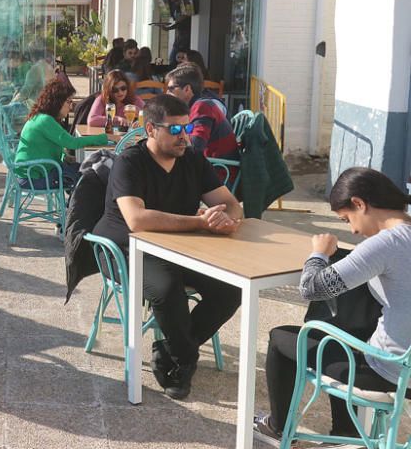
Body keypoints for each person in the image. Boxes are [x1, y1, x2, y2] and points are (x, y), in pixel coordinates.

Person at [92, 95, 243, 400]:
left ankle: (171, 351)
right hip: (127, 248)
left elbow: (231, 204)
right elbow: (137, 219)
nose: (184, 137)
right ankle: (185, 361)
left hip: (179, 246)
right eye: (175, 131)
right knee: (166, 289)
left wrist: (223, 218)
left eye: (187, 129)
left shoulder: (192, 160)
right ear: (150, 129)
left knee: (231, 288)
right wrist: (199, 222)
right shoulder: (130, 162)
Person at [254, 167, 411, 445]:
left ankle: (277, 427)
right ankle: (346, 431)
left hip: (389, 372)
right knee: (345, 332)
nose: (351, 229)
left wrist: (319, 252)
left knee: (281, 338)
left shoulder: (386, 243)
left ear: (360, 203)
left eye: (347, 218)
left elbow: (310, 288)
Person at [14, 80, 109, 190]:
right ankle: (80, 206)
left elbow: (45, 147)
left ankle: (77, 205)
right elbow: (72, 143)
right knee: (90, 176)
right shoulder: (46, 120)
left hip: (32, 173)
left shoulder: (40, 117)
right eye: (68, 101)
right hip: (34, 178)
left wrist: (66, 157)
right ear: (57, 102)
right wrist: (105, 137)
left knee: (85, 172)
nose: (71, 106)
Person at [164, 64, 238, 160]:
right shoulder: (196, 106)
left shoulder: (202, 107)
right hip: (212, 165)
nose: (167, 93)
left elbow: (195, 148)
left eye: (171, 89)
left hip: (220, 170)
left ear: (187, 89)